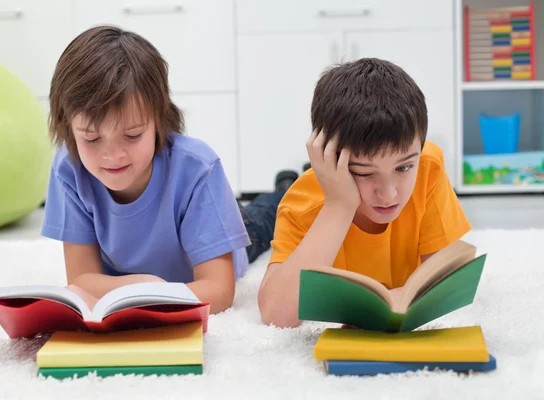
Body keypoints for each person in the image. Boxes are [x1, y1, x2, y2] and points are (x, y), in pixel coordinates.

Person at [41, 25, 296, 315]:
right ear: (68, 129)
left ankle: (286, 189)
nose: (112, 155)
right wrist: (146, 286)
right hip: (163, 276)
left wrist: (148, 291)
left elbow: (219, 290)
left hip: (217, 228)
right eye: (91, 139)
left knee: (265, 216)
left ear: (159, 120)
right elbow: (80, 281)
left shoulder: (197, 168)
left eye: (133, 135)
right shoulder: (68, 168)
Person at [258, 58, 472, 328]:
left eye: (404, 167)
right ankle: (285, 181)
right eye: (364, 172)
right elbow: (277, 316)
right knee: (261, 214)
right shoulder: (302, 201)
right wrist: (338, 205)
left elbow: (449, 281)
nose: (388, 194)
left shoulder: (429, 166)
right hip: (313, 194)